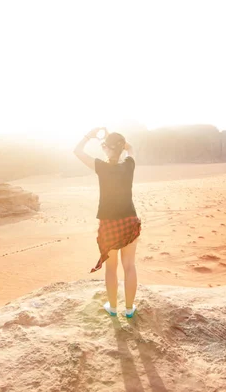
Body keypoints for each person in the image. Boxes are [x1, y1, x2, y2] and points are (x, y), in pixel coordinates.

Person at [74, 127, 141, 318]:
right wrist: (122, 145)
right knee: (129, 266)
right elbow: (131, 149)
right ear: (120, 149)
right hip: (130, 220)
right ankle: (129, 309)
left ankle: (112, 308)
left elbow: (77, 151)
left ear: (106, 148)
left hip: (109, 224)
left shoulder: (101, 166)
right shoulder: (129, 165)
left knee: (111, 267)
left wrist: (90, 134)